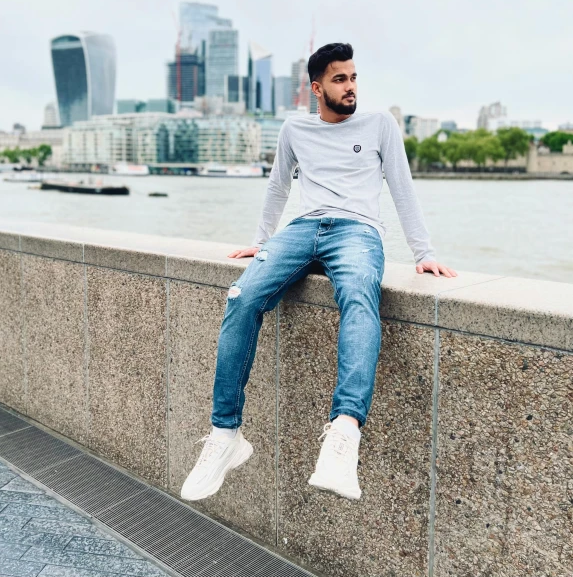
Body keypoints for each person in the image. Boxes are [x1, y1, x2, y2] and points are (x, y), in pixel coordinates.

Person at [180, 42, 457, 502]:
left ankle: (344, 434)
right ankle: (225, 435)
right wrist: (262, 241)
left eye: (353, 78)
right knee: (241, 297)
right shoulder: (295, 129)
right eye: (339, 79)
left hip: (357, 232)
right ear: (316, 87)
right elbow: (277, 187)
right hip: (302, 229)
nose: (350, 87)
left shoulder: (380, 125)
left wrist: (423, 251)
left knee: (359, 296)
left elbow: (403, 188)